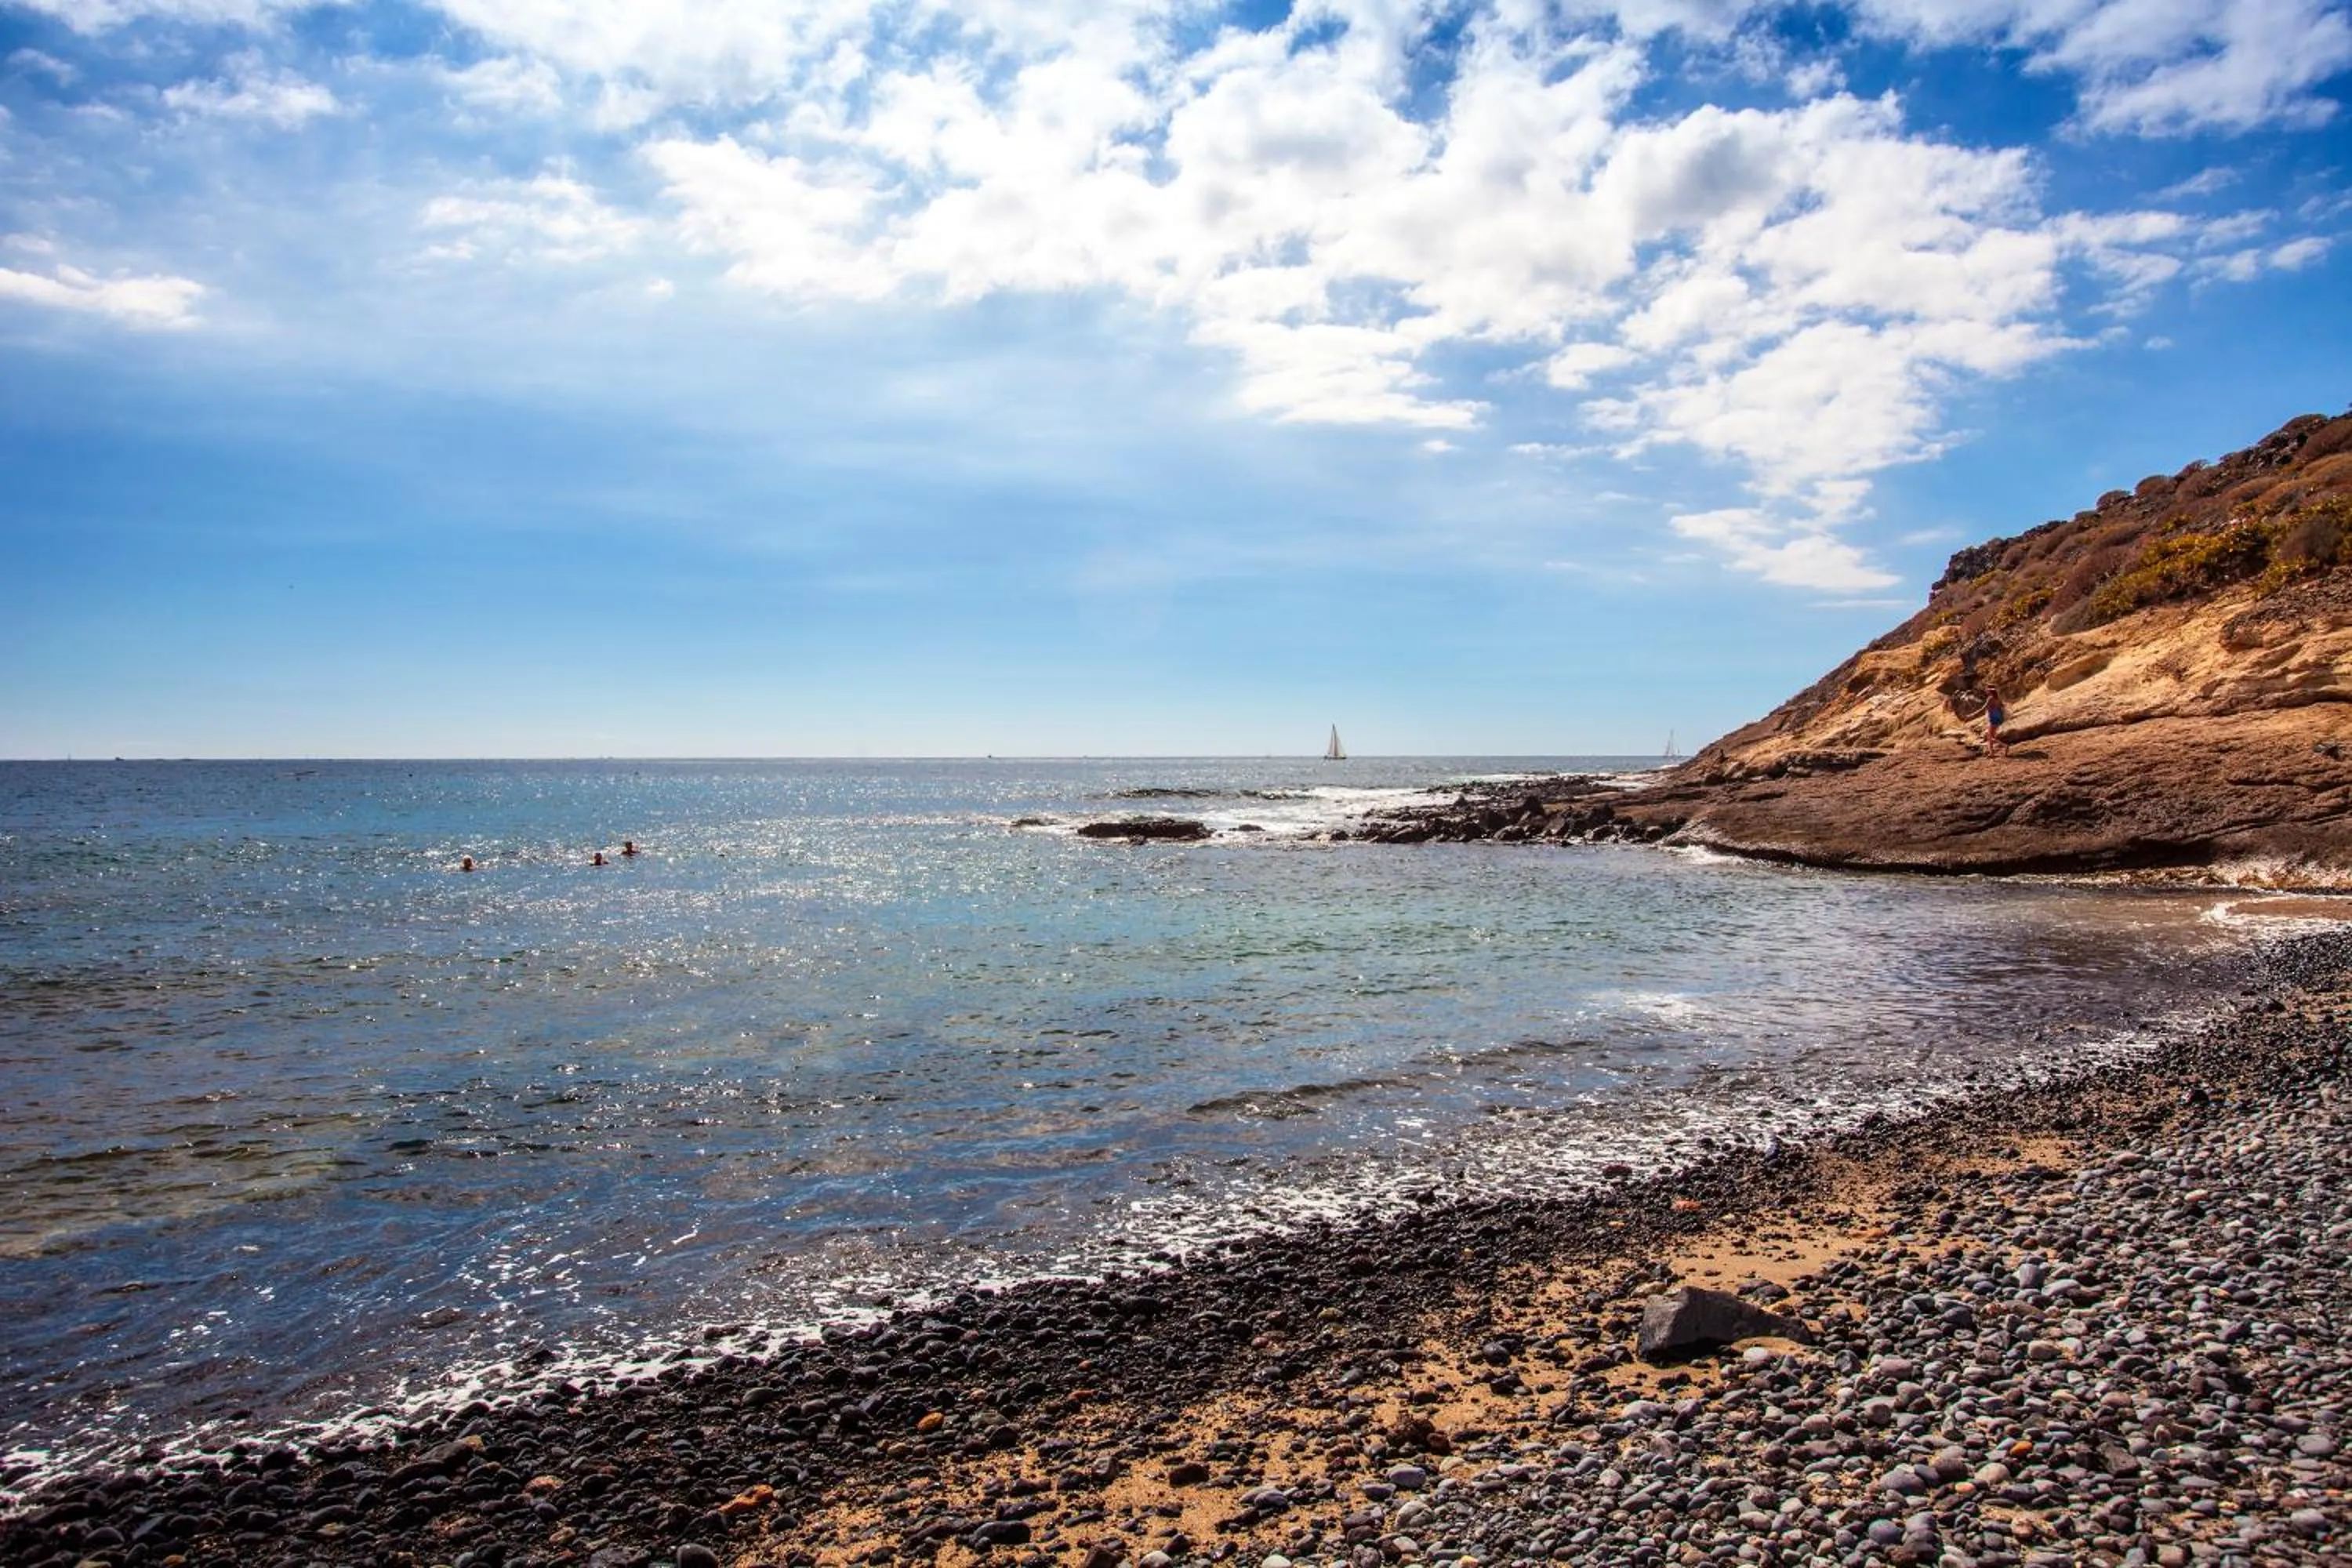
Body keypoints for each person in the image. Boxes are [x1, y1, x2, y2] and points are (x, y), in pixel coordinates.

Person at [1984, 686, 2007, 750]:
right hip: (1999, 718)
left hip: (1993, 718)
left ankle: (2005, 746)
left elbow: (1984, 708)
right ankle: (1991, 752)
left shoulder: (1990, 699)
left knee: (1990, 736)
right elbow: (2002, 707)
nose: (1986, 691)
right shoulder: (1998, 699)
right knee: (1991, 736)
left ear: (1990, 691)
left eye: (1987, 690)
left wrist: (1972, 715)